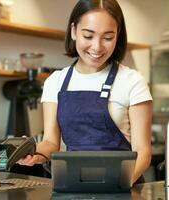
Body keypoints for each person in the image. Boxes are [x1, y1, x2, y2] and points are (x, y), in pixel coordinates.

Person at [17, 0, 152, 184]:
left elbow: (143, 153)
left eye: (108, 37)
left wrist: (119, 187)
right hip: (74, 186)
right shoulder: (55, 81)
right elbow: (50, 142)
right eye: (88, 36)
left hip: (124, 187)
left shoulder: (132, 81)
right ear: (74, 31)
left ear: (118, 35)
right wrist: (35, 154)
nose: (97, 47)